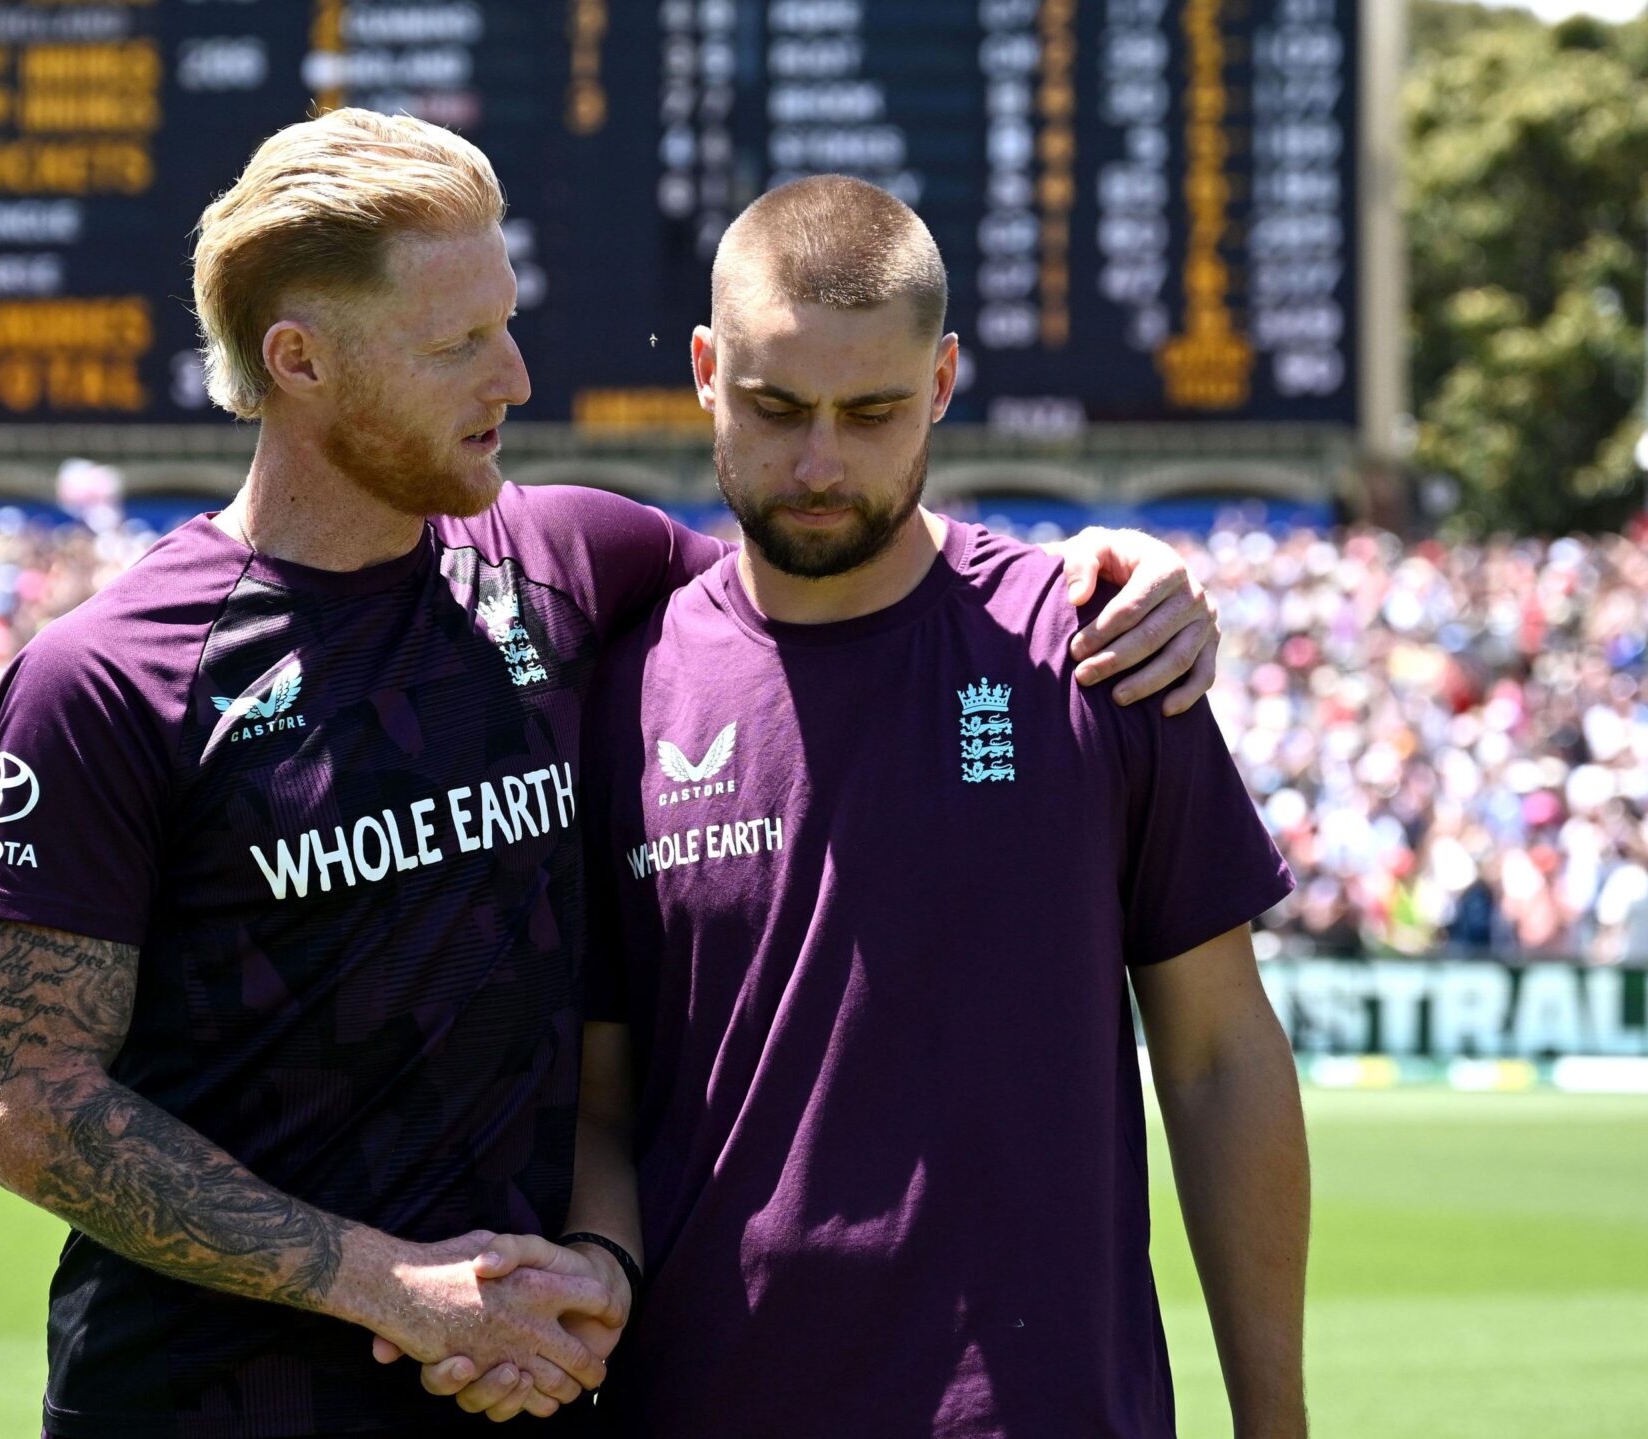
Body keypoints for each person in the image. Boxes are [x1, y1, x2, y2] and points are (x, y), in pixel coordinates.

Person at [0, 111, 1226, 1438]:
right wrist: (386, 1283)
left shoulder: (568, 560)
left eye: (506, 320)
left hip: (535, 1391)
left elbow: (837, 550)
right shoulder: (108, 677)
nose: (513, 374)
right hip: (204, 1402)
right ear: (301, 360)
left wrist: (1105, 567)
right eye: (458, 343)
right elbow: (35, 1111)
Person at [405, 176, 1310, 1435]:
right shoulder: (618, 685)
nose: (820, 462)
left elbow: (1219, 1059)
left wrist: (1277, 1423)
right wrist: (590, 1279)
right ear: (707, 370)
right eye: (776, 407)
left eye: (873, 411)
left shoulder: (1098, 650)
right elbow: (604, 1102)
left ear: (941, 382)